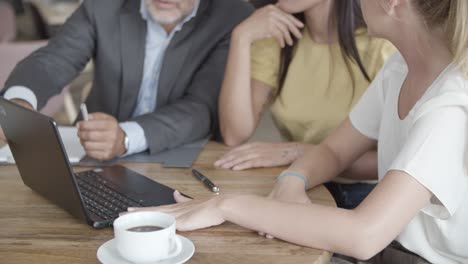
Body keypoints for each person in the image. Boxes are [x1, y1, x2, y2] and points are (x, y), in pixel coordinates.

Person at [126, 0, 468, 263]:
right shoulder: (399, 69)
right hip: (392, 252)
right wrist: (294, 180)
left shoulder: (450, 105)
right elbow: (334, 151)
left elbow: (365, 235)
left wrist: (225, 205)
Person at [0, 0, 253, 161]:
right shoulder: (103, 6)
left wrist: (126, 137)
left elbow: (201, 107)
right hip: (90, 154)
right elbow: (54, 60)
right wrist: (18, 102)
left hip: (182, 155)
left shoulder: (232, 16)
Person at [214, 0, 395, 209]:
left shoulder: (382, 47)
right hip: (298, 183)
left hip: (368, 197)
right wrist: (241, 37)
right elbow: (234, 133)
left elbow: (393, 163)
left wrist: (300, 152)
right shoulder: (279, 37)